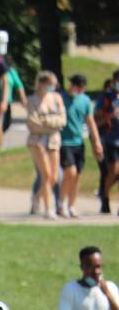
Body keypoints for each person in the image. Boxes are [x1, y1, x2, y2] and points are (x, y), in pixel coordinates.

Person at [58, 74, 104, 218]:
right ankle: (61, 203)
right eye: (79, 88)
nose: (81, 91)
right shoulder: (61, 98)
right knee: (69, 172)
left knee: (77, 176)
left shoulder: (84, 100)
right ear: (73, 85)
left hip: (78, 142)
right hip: (64, 142)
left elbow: (90, 122)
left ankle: (71, 205)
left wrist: (96, 142)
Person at [25, 71, 67, 220]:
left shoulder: (57, 98)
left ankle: (36, 197)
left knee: (55, 177)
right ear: (42, 84)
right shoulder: (32, 100)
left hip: (53, 139)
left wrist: (47, 122)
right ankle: (49, 208)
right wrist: (50, 124)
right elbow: (32, 122)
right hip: (37, 141)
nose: (52, 87)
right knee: (46, 174)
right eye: (50, 84)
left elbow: (62, 120)